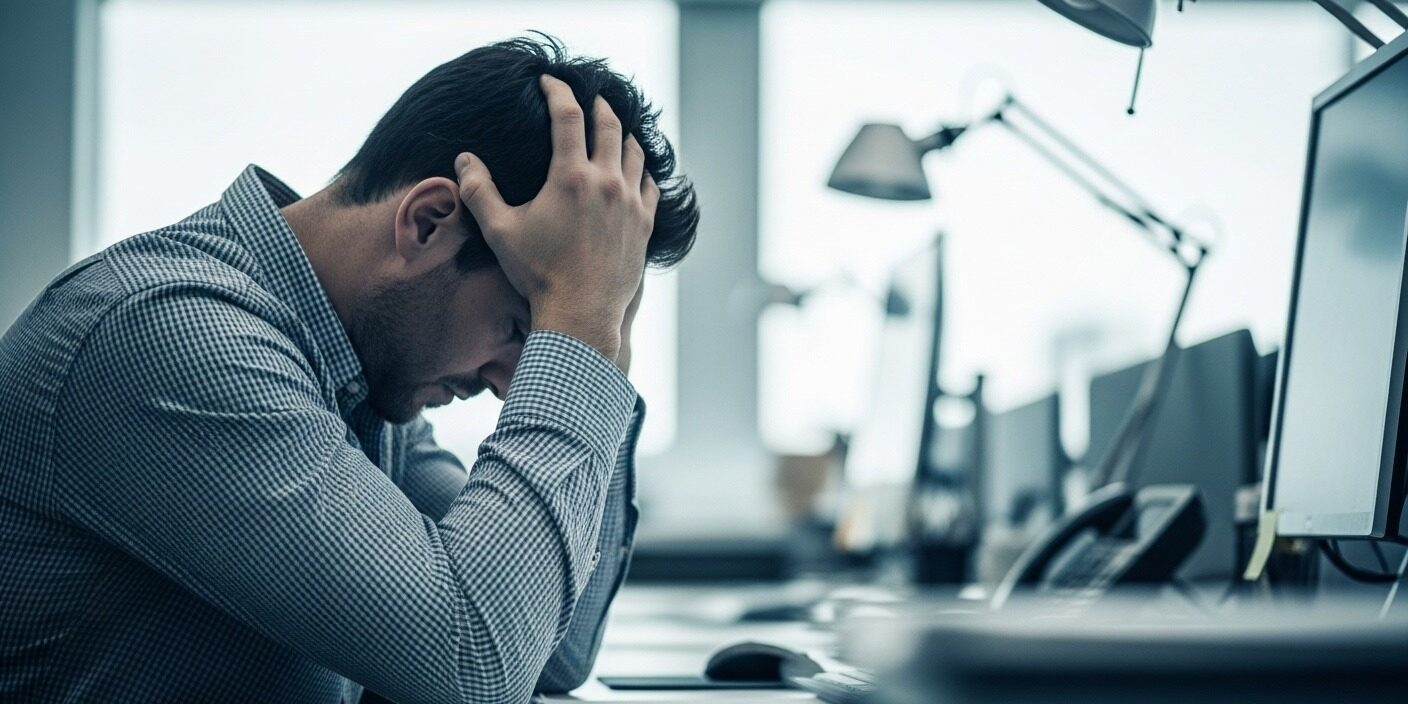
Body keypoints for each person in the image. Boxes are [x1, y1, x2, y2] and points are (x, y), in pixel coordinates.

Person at [0, 36, 699, 704]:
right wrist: (575, 334)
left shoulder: (357, 368)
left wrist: (600, 334)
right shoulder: (175, 338)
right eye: (519, 329)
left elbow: (550, 650)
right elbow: (476, 664)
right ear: (428, 223)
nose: (507, 384)